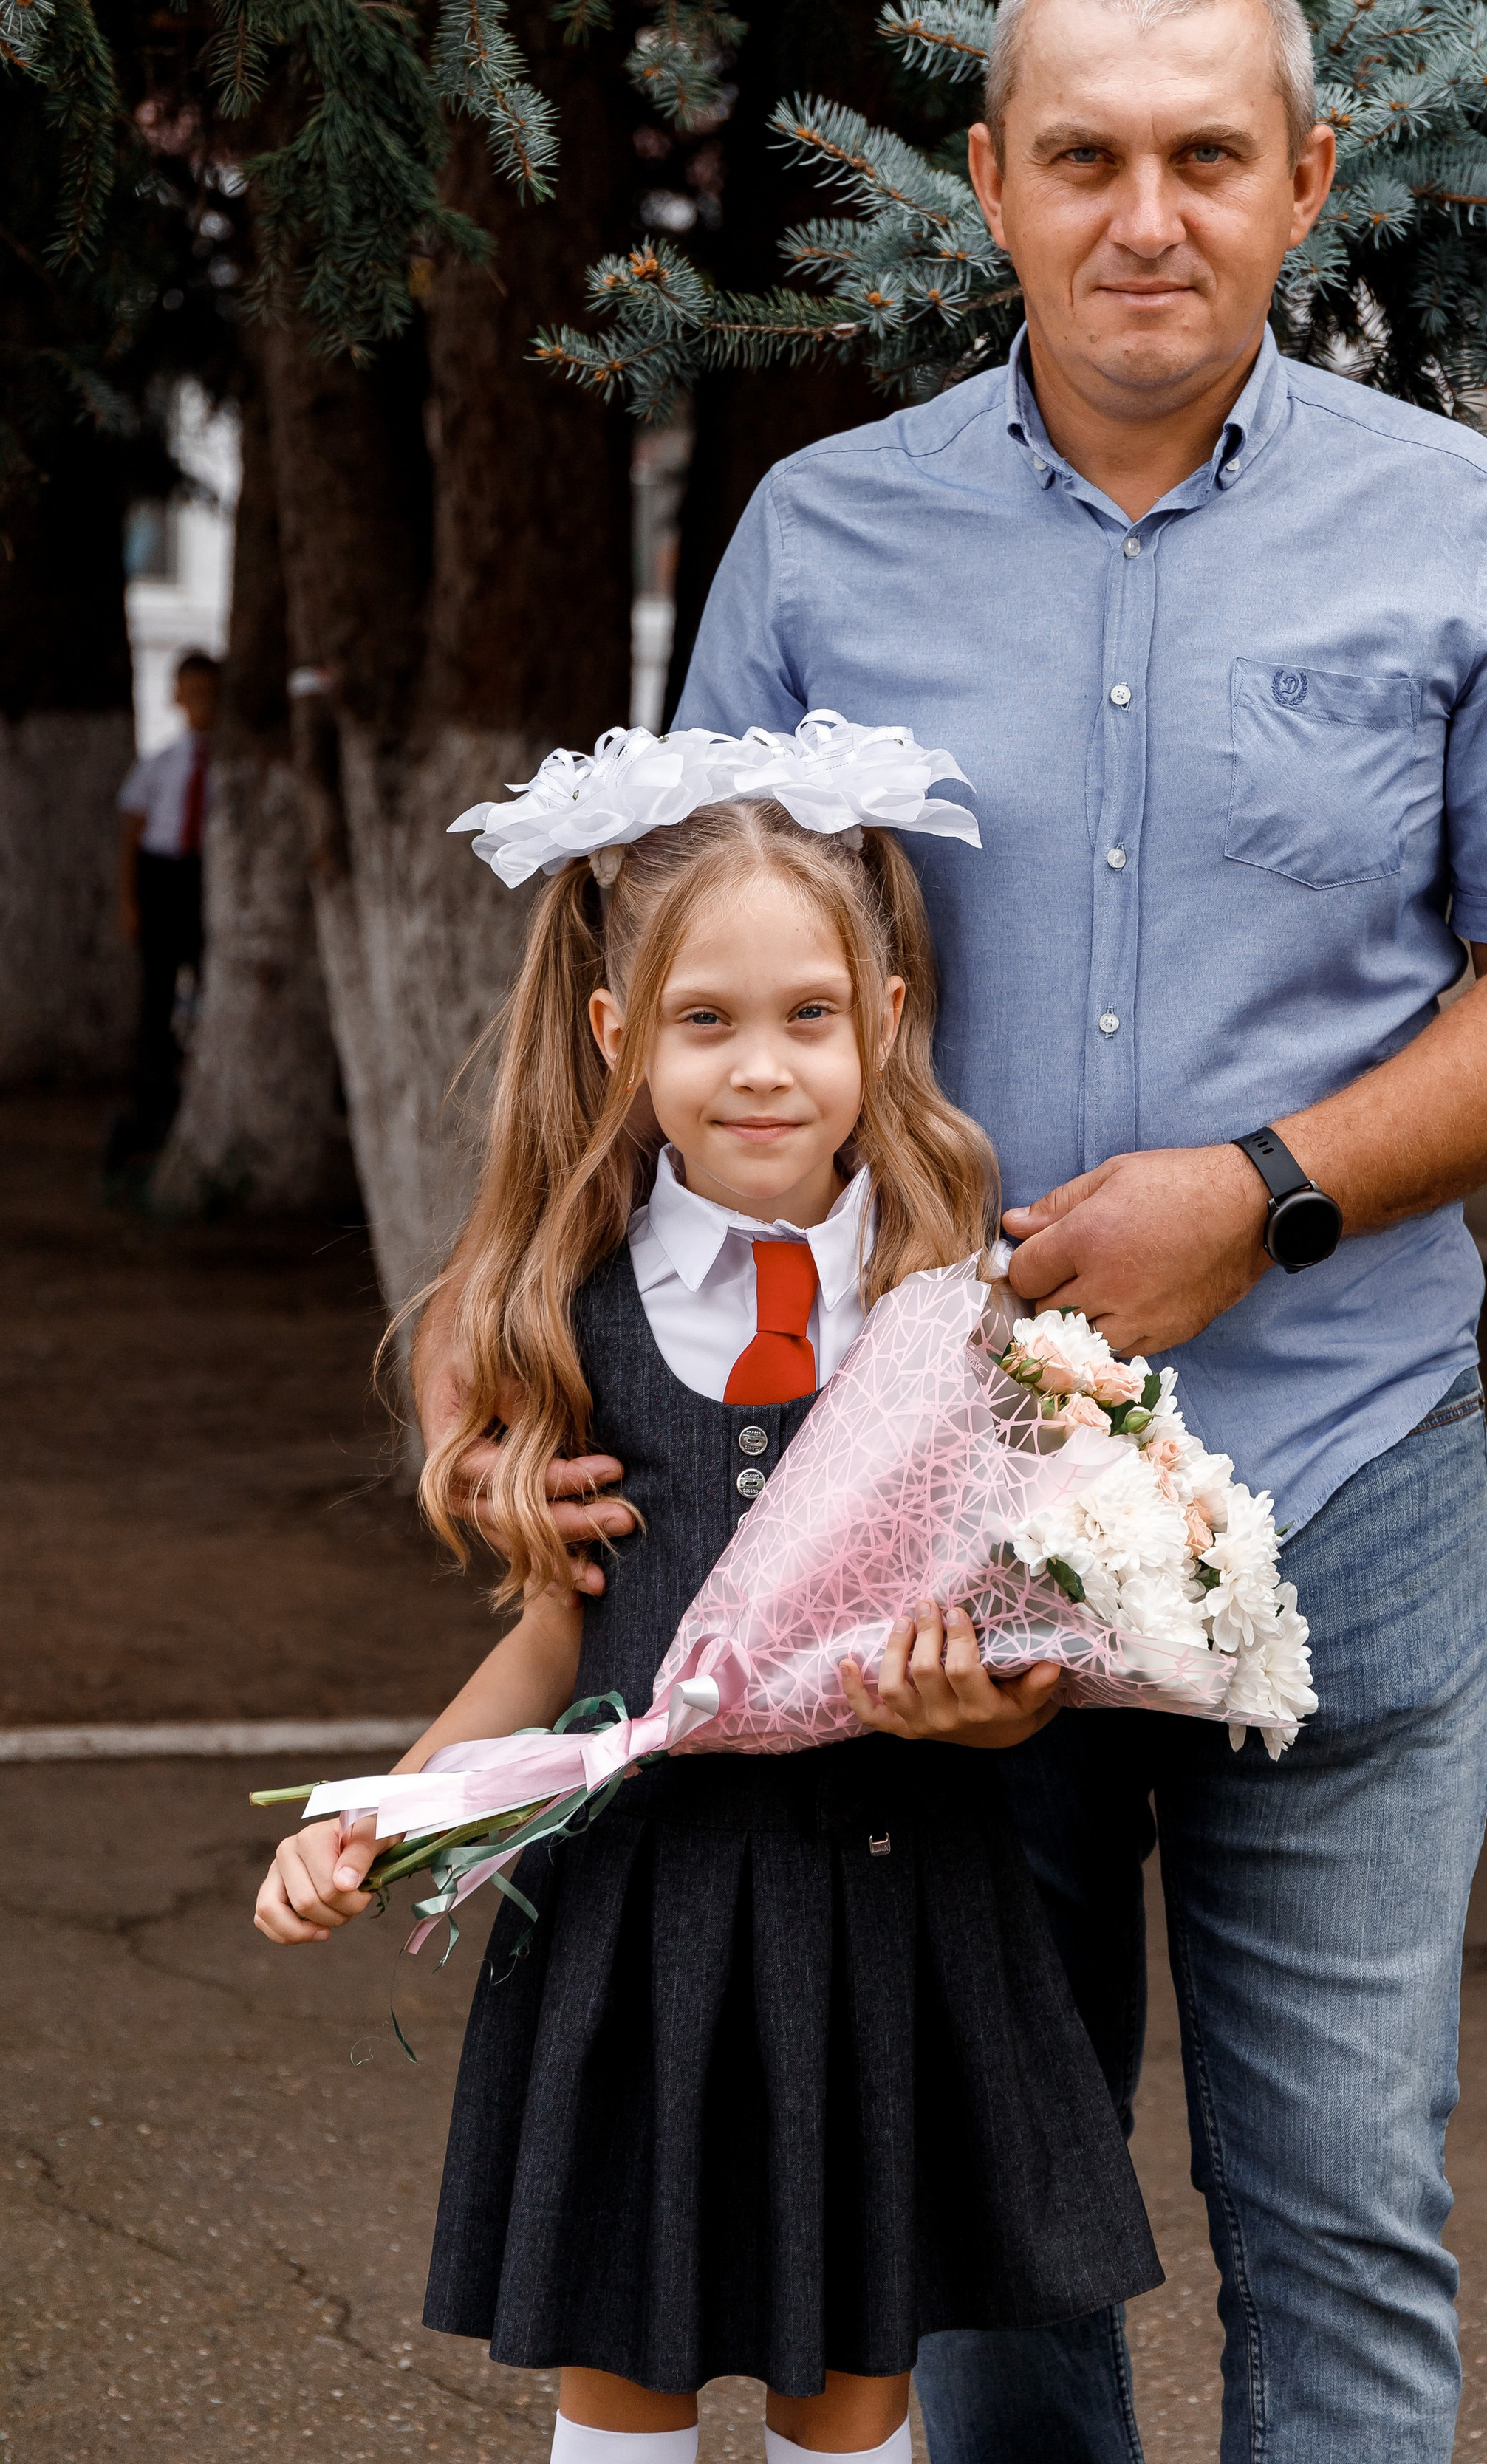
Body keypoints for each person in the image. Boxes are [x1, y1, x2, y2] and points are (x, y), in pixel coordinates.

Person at [423, 0, 1487, 2463]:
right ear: (987, 185)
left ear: (1306, 181)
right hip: (928, 1513)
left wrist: (1267, 1193)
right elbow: (669, 996)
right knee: (983, 2218)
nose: (1146, 217)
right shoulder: (818, 536)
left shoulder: (1455, 532)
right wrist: (532, 1386)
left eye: (1209, 158)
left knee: (1342, 2201)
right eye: (1083, 159)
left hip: (1342, 1471)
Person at [257, 723, 1162, 2464]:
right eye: (705, 1020)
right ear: (618, 1036)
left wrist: (1000, 1699)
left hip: (888, 1915)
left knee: (851, 2386)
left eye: (808, 1015)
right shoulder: (559, 1316)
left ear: (886, 1017)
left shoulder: (962, 1318)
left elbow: (1022, 1651)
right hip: (633, 1930)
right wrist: (377, 1813)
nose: (762, 1068)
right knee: (624, 2373)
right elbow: (550, 1640)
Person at [114, 648, 219, 1159]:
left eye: (210, 694)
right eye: (192, 693)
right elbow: (132, 836)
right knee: (155, 996)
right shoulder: (159, 764)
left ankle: (196, 1087)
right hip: (162, 880)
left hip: (206, 882)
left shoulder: (229, 770)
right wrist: (130, 901)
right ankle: (149, 1104)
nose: (201, 704)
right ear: (177, 697)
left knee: (206, 989)